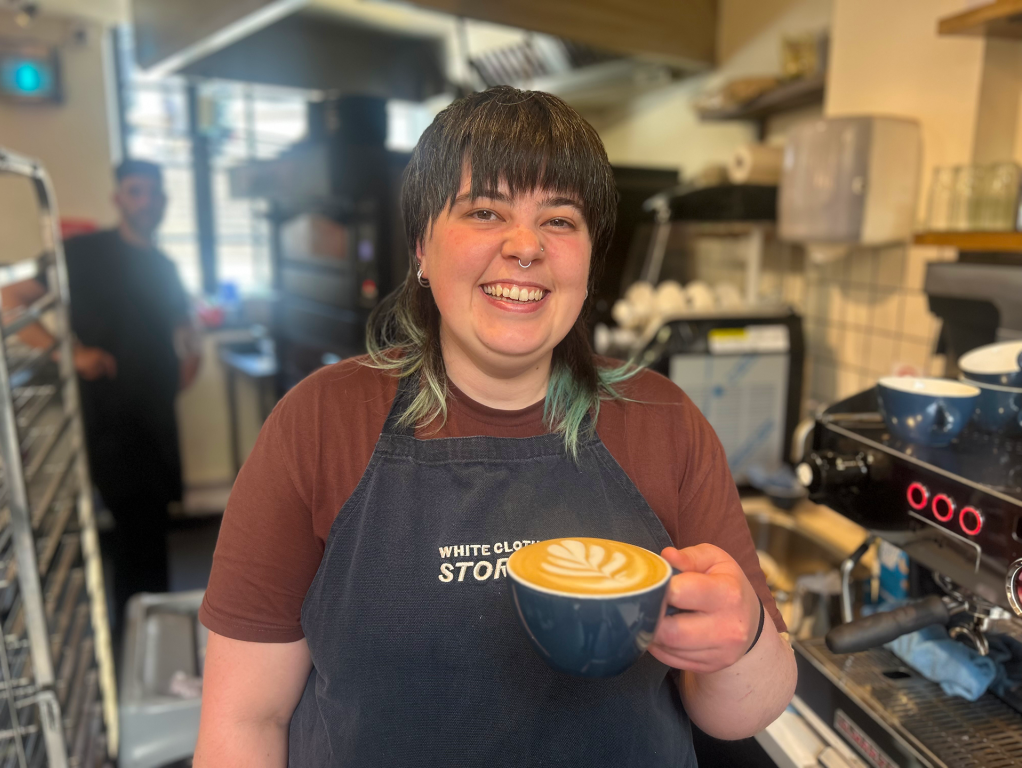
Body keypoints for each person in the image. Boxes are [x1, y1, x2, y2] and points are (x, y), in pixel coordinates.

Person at [194, 87, 796, 767]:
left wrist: (740, 639)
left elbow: (745, 711)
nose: (526, 247)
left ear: (590, 253)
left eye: (561, 220)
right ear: (421, 246)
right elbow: (245, 720)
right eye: (485, 210)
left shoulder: (663, 421)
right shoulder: (320, 423)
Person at [2, 159, 201, 629]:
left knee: (152, 529)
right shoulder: (84, 253)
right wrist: (66, 355)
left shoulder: (164, 265)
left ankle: (155, 629)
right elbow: (9, 300)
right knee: (134, 534)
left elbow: (181, 322)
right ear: (118, 198)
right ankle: (134, 634)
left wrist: (191, 357)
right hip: (111, 420)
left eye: (153, 193)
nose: (146, 201)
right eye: (135, 192)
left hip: (157, 416)